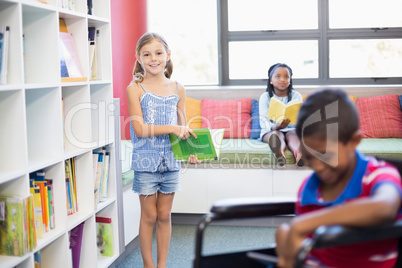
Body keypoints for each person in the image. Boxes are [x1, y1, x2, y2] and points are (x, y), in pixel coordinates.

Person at [275, 89, 402, 268]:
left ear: (354, 141)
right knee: (283, 234)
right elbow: (306, 243)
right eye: (310, 157)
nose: (318, 166)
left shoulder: (379, 175)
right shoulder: (310, 187)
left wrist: (302, 224)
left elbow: (384, 207)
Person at [127, 32, 200, 268]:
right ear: (138, 58)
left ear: (167, 56)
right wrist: (174, 128)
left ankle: (162, 265)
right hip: (145, 162)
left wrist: (189, 149)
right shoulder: (135, 89)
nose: (153, 58)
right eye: (147, 54)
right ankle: (149, 266)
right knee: (148, 216)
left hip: (170, 162)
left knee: (164, 216)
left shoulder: (179, 88)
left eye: (158, 53)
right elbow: (139, 128)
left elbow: (183, 126)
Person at [259, 63, 304, 167]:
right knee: (276, 135)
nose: (282, 80)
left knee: (292, 135)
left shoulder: (296, 95)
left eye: (286, 77)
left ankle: (299, 154)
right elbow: (263, 121)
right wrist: (277, 126)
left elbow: (300, 118)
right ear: (270, 80)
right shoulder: (265, 97)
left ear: (290, 80)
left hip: (291, 129)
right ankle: (279, 153)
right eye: (278, 76)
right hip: (271, 130)